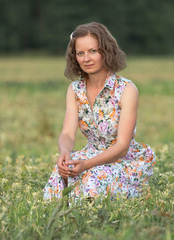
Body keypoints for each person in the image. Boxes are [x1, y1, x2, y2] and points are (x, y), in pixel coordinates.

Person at [43, 22, 156, 201]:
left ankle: (133, 192)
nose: (86, 58)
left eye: (93, 51)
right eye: (80, 53)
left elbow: (122, 146)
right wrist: (65, 152)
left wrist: (86, 165)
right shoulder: (75, 89)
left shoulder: (126, 89)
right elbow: (67, 133)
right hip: (91, 153)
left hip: (124, 159)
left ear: (106, 51)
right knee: (59, 179)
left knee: (92, 179)